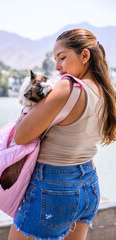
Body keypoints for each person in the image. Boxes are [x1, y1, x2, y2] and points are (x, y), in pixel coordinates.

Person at [8, 29, 116, 240]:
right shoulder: (105, 92)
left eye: (63, 58)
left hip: (55, 187)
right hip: (89, 186)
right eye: (56, 60)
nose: (58, 66)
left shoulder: (68, 86)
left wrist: (26, 105)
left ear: (85, 56)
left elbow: (20, 136)